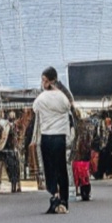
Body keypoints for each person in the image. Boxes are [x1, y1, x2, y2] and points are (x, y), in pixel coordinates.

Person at [32, 67, 75, 214]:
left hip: (46, 136)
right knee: (61, 168)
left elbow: (35, 108)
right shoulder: (63, 97)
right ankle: (64, 201)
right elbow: (69, 105)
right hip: (60, 136)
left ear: (50, 81)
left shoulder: (41, 98)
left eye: (44, 80)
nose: (42, 83)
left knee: (49, 168)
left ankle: (54, 195)